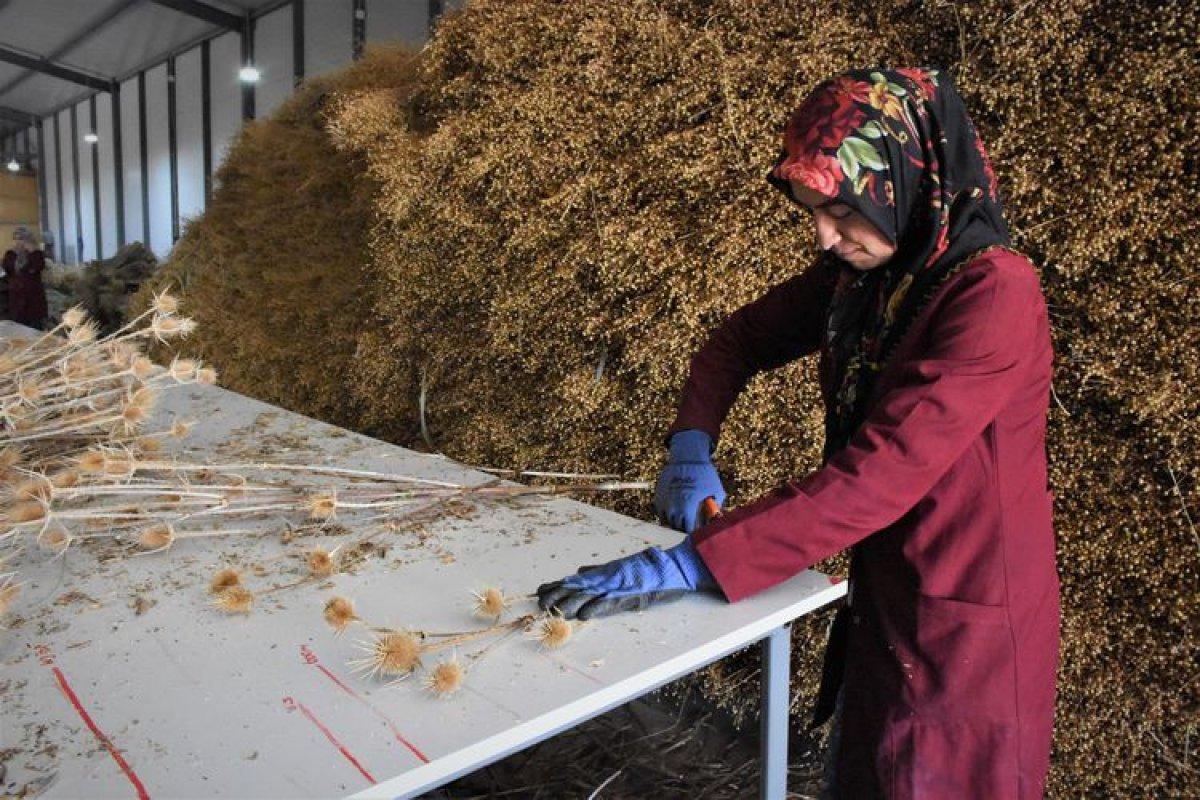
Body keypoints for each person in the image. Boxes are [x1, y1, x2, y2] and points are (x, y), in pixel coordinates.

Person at [537, 67, 1059, 798]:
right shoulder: (869, 275)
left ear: (900, 181)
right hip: (888, 595)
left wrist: (700, 561)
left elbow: (881, 472)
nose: (824, 233)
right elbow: (738, 341)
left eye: (841, 210)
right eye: (813, 210)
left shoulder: (991, 295)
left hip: (965, 623)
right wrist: (692, 443)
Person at [3, 226, 48, 329]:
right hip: (17, 297)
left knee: (35, 327)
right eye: (16, 239)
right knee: (19, 328)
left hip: (34, 298)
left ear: (28, 240)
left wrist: (31, 251)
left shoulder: (36, 253)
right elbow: (8, 269)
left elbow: (37, 266)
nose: (19, 242)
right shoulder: (10, 254)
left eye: (21, 239)